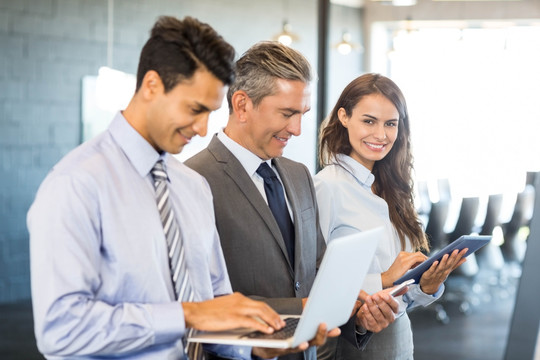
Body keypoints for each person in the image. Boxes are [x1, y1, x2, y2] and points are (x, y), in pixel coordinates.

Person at [27, 16, 332, 360]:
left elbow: (214, 306)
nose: (203, 129)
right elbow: (61, 329)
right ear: (152, 85)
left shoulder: (191, 186)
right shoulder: (76, 184)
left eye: (211, 112)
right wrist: (185, 314)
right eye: (194, 109)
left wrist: (249, 344)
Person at [185, 42, 401, 360]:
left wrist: (360, 317)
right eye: (287, 114)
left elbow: (317, 275)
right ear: (242, 105)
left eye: (302, 114)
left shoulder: (298, 175)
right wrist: (298, 309)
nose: (297, 130)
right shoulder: (193, 181)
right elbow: (196, 304)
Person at [314, 73, 468, 359]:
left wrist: (427, 285)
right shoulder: (327, 187)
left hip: (399, 339)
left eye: (390, 124)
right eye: (369, 121)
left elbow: (403, 294)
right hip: (350, 342)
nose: (381, 135)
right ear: (344, 117)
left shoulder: (391, 186)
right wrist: (383, 279)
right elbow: (314, 283)